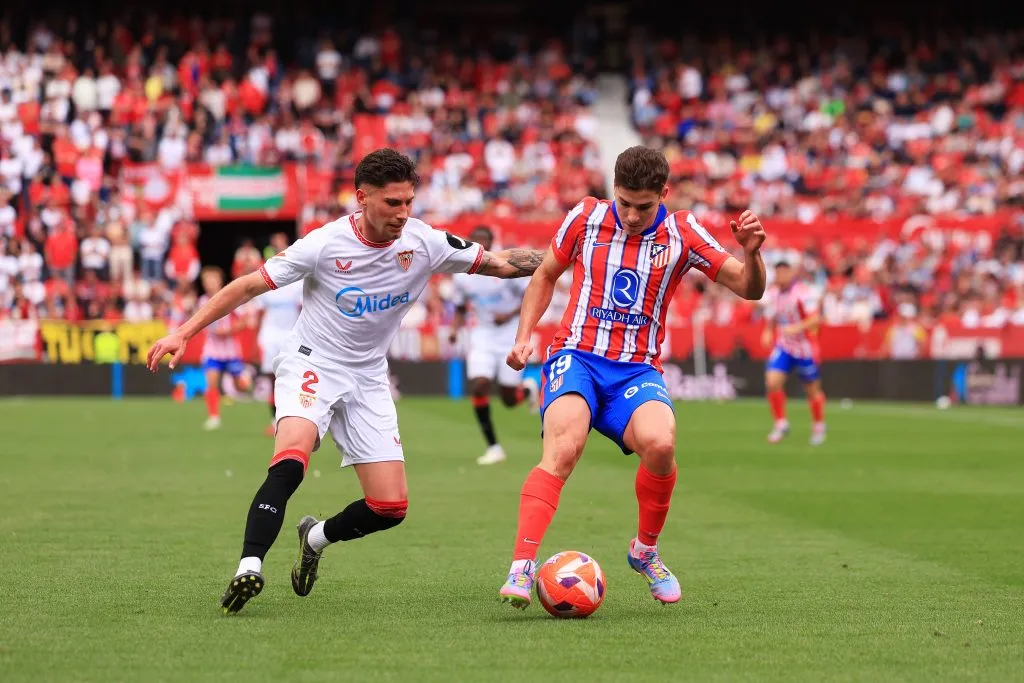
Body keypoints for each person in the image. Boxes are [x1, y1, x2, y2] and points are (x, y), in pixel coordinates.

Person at [146, 148, 544, 615]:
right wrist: (183, 332)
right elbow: (249, 285)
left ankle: (314, 537)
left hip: (368, 376)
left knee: (389, 508)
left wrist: (567, 255)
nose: (403, 213)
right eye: (392, 203)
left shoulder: (426, 242)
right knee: (291, 459)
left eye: (408, 201)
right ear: (362, 198)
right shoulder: (324, 244)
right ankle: (249, 566)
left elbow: (502, 262)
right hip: (312, 361)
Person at [498, 145, 767, 609]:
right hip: (576, 356)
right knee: (564, 448)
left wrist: (751, 254)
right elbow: (545, 275)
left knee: (661, 445)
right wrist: (525, 336)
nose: (632, 214)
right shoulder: (584, 218)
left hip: (636, 370)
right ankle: (521, 566)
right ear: (613, 191)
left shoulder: (683, 231)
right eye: (623, 202)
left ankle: (645, 550)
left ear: (663, 194)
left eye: (643, 206)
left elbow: (749, 288)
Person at [449, 225, 540, 466]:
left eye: (484, 241)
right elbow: (460, 306)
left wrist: (508, 315)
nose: (481, 245)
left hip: (510, 333)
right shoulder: (462, 273)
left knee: (509, 399)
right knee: (479, 385)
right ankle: (493, 447)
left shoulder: (504, 265)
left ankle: (527, 391)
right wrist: (454, 329)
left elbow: (528, 295)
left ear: (491, 243)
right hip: (482, 334)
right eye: (476, 241)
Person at [760, 261, 827, 445]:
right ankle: (781, 423)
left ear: (791, 273)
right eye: (778, 272)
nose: (780, 276)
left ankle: (818, 425)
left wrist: (796, 327)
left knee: (812, 390)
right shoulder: (774, 294)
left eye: (783, 272)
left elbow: (815, 319)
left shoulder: (803, 293)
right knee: (772, 381)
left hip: (804, 347)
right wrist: (767, 331)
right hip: (785, 346)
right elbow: (772, 316)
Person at [197, 266, 253, 430]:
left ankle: (247, 380)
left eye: (212, 281)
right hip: (213, 350)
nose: (209, 284)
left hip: (230, 350)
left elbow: (245, 319)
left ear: (219, 281)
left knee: (240, 386)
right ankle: (214, 417)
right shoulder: (202, 301)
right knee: (212, 383)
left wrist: (229, 330)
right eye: (206, 281)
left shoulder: (230, 297)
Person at [253, 269, 303, 436]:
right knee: (272, 379)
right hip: (270, 335)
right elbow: (259, 312)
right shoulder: (266, 283)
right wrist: (256, 337)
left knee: (293, 378)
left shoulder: (298, 283)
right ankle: (275, 422)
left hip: (291, 334)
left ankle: (296, 420)